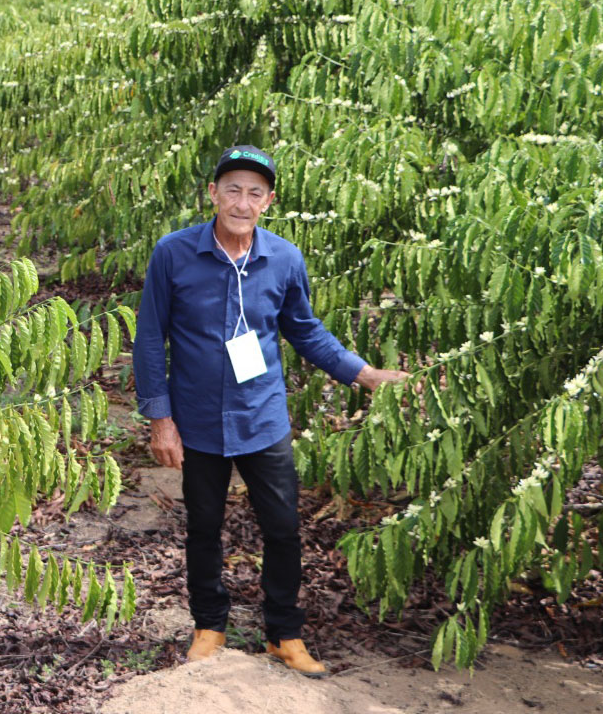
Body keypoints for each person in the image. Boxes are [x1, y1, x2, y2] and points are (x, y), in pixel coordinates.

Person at [132, 144, 409, 677]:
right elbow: (150, 339)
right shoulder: (174, 253)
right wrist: (160, 419)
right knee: (204, 527)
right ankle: (209, 626)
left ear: (269, 201)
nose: (241, 201)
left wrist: (365, 374)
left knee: (282, 529)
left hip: (262, 418)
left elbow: (306, 331)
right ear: (211, 194)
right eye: (232, 188)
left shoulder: (283, 258)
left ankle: (284, 634)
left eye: (254, 192)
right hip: (196, 421)